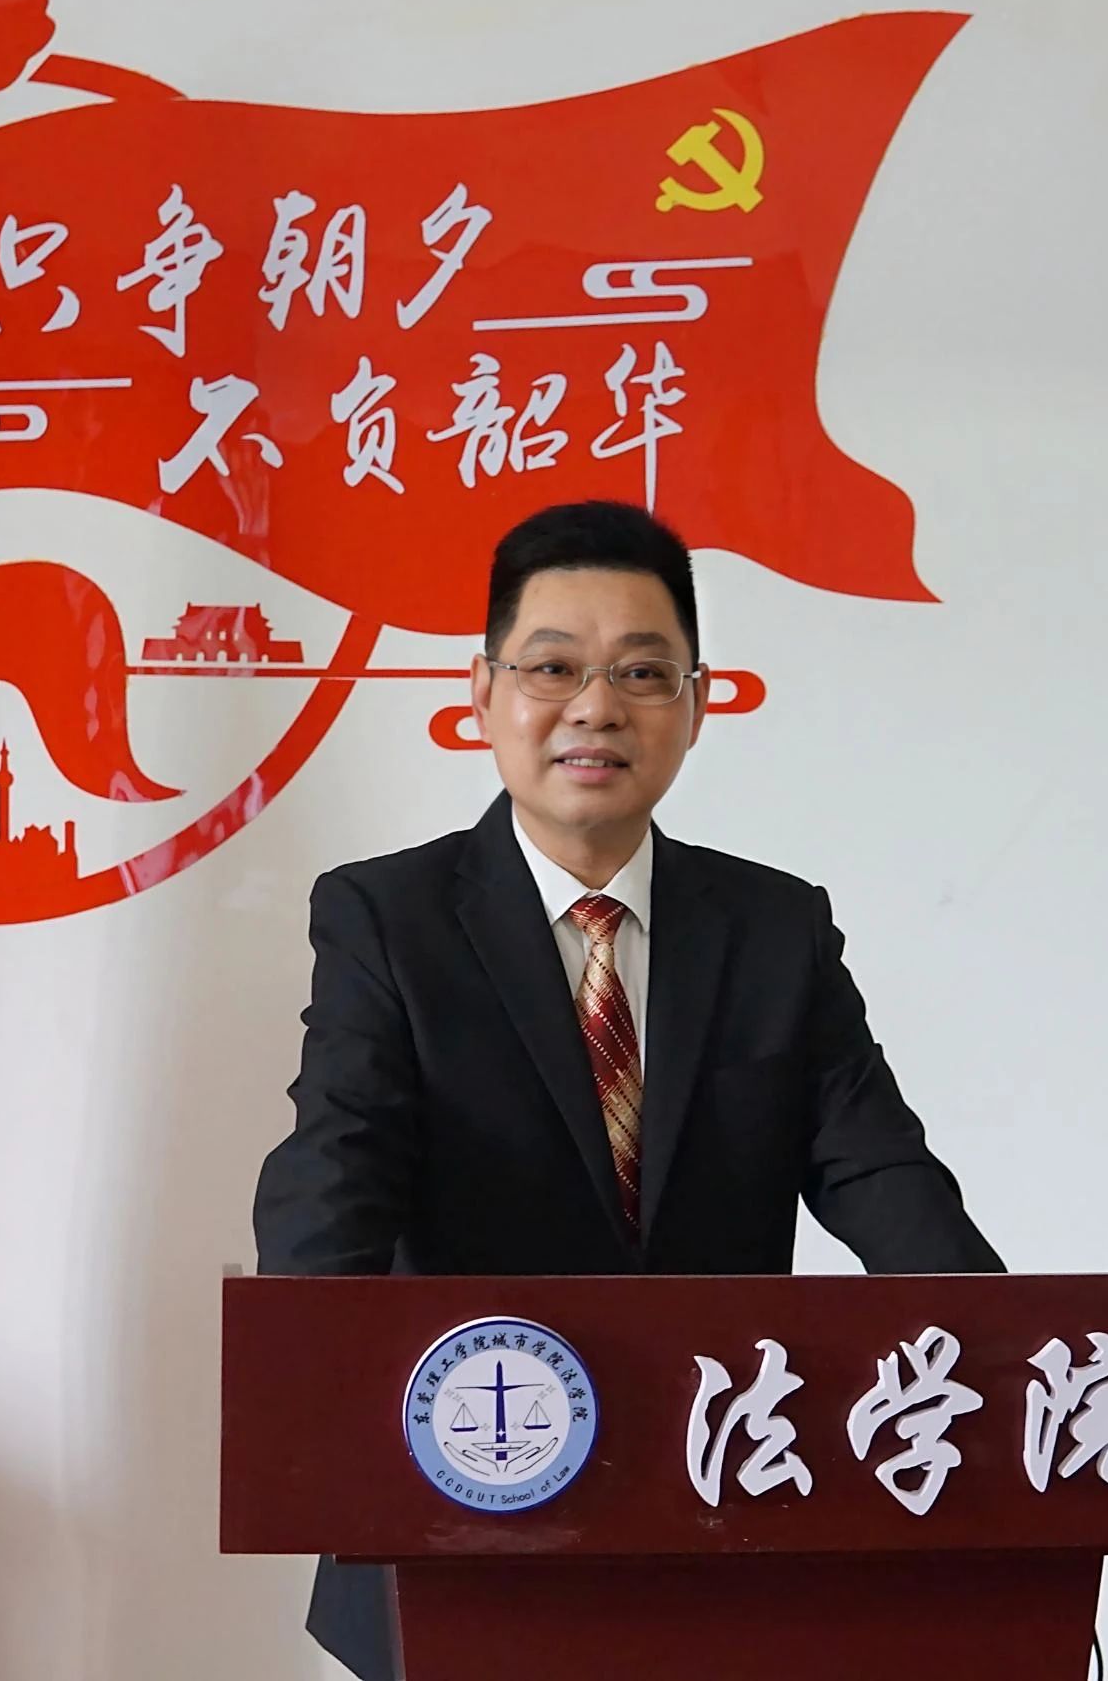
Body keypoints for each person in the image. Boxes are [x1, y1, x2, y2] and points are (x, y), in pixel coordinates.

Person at [251, 499, 1003, 1680]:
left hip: (718, 1507)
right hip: (464, 1502)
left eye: (642, 672)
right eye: (552, 666)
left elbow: (883, 1173)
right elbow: (336, 1165)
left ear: (695, 705)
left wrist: (1011, 1360)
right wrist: (309, 1378)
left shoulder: (773, 928)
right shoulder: (388, 919)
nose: (595, 706)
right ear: (481, 692)